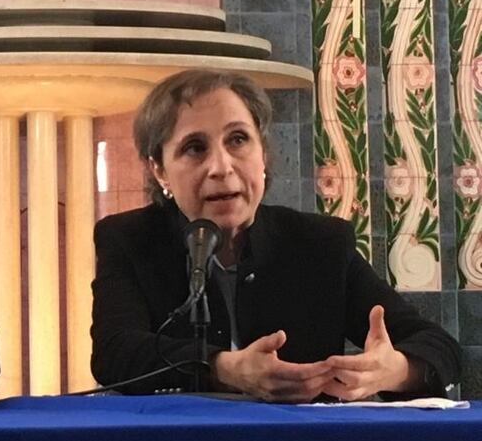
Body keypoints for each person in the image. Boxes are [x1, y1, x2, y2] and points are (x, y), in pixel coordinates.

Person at [91, 70, 461, 402]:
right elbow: (115, 353)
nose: (221, 167)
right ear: (160, 171)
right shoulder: (128, 239)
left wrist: (394, 370)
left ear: (263, 155)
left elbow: (440, 347)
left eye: (238, 140)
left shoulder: (319, 243)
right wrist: (222, 368)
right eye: (194, 148)